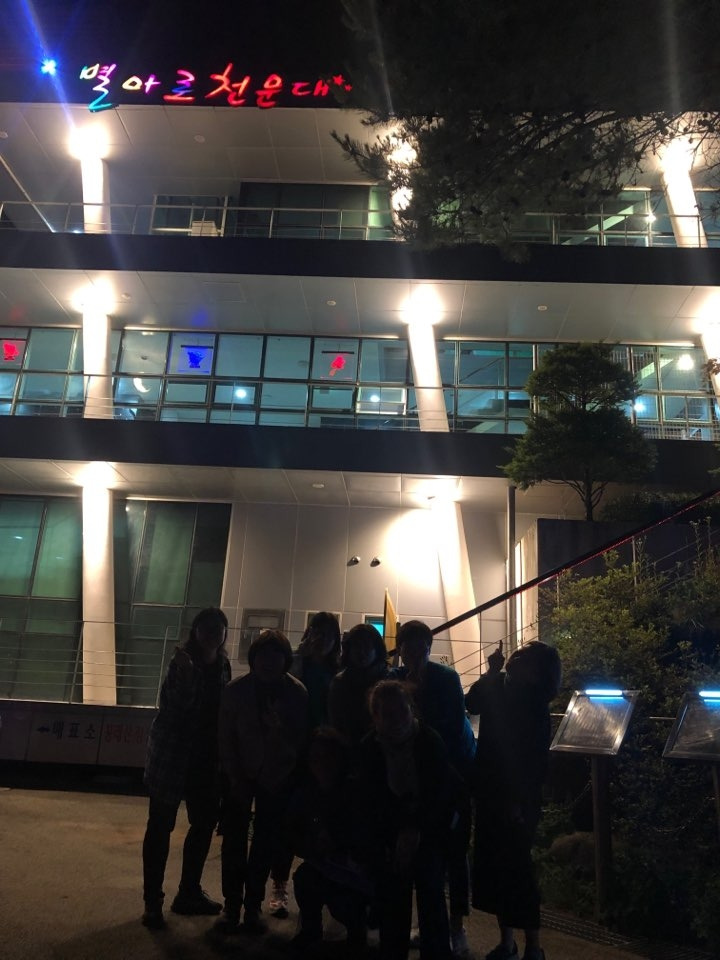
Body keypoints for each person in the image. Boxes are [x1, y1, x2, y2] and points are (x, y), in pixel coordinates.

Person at [465, 642, 562, 960]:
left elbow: (533, 760)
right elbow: (472, 703)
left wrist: (518, 800)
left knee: (518, 870)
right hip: (490, 792)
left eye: (525, 657)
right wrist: (491, 671)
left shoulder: (534, 704)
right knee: (494, 867)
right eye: (518, 653)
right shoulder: (500, 686)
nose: (516, 657)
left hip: (516, 798)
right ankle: (506, 942)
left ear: (539, 672)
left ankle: (533, 946)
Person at [141, 607, 231, 930]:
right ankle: (153, 901)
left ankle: (188, 892)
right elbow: (177, 707)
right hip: (174, 756)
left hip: (206, 759)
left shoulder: (223, 665)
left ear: (225, 633)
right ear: (195, 631)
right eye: (206, 627)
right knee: (160, 826)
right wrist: (188, 675)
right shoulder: (181, 664)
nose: (212, 633)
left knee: (204, 824)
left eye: (218, 628)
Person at [215, 628, 309, 935]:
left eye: (276, 655)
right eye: (263, 655)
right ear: (253, 658)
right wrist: (235, 776)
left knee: (265, 843)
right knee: (234, 842)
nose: (269, 661)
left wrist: (278, 735)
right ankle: (232, 905)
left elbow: (299, 740)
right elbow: (226, 738)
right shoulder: (235, 690)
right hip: (239, 775)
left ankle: (252, 905)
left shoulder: (297, 693)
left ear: (285, 660)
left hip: (277, 777)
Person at [360, 679, 459, 960]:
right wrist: (394, 837)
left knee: (431, 892)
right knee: (394, 900)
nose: (397, 720)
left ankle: (436, 953)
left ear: (411, 708)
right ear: (375, 717)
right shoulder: (370, 748)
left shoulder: (429, 741)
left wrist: (415, 829)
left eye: (402, 711)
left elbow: (439, 796)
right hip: (390, 833)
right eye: (388, 714)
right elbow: (371, 799)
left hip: (429, 830)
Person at [393, 620, 475, 958]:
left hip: (451, 775)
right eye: (407, 646)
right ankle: (427, 924)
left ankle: (456, 927)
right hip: (416, 778)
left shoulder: (446, 678)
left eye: (420, 646)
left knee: (454, 851)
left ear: (428, 648)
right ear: (400, 649)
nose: (414, 652)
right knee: (423, 853)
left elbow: (453, 726)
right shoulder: (396, 679)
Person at [268, 611, 342, 918]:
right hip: (294, 751)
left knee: (324, 821)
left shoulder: (339, 669)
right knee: (288, 820)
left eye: (328, 634)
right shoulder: (295, 663)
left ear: (336, 640)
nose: (321, 639)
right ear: (307, 634)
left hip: (326, 754)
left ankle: (320, 888)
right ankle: (279, 886)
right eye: (316, 632)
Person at [287, 726, 373, 954]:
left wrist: (339, 841)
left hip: (356, 873)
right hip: (324, 865)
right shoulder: (306, 793)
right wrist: (312, 845)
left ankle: (357, 935)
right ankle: (311, 930)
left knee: (345, 902)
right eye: (315, 758)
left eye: (328, 757)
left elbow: (365, 837)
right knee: (304, 878)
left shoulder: (354, 792)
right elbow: (292, 833)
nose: (322, 764)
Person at [329, 622, 389, 745]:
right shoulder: (340, 682)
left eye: (367, 646)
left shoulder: (388, 680)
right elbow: (336, 723)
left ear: (377, 649)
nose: (361, 652)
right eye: (356, 646)